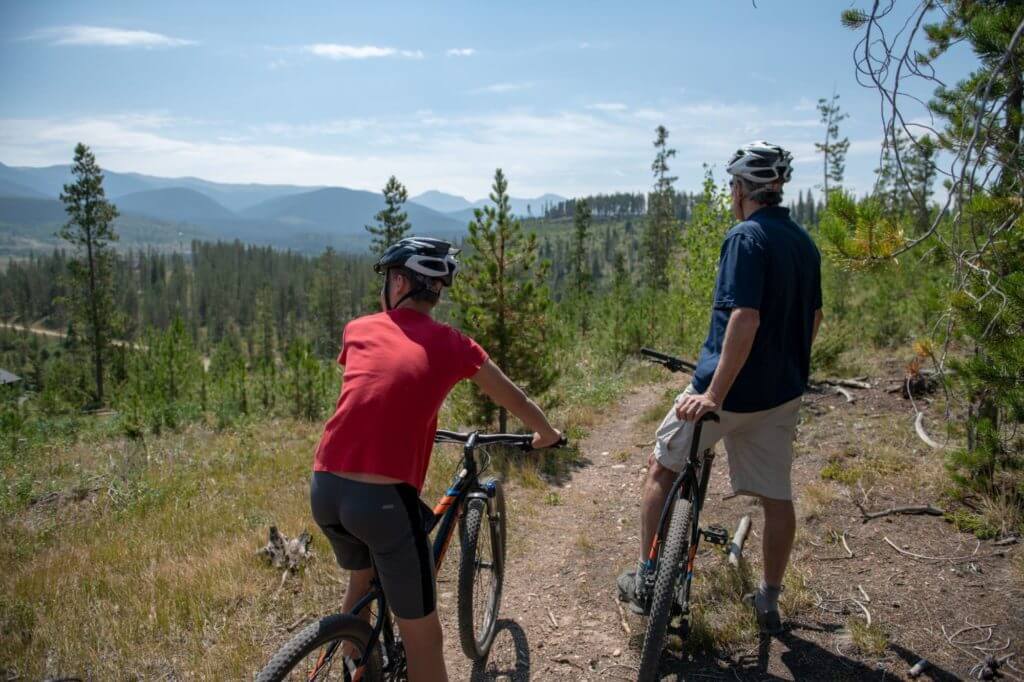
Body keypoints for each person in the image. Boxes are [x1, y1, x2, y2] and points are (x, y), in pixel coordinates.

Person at [310, 237, 562, 682]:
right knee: (424, 639)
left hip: (326, 486)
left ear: (401, 281)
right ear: (436, 290)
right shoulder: (453, 344)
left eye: (387, 279)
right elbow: (511, 394)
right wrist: (546, 432)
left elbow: (370, 389)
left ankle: (358, 668)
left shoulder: (359, 328)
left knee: (360, 580)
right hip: (382, 503)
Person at [618, 141, 823, 634]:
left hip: (726, 394)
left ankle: (648, 580)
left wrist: (714, 395)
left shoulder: (745, 237)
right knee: (777, 498)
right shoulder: (803, 242)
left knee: (661, 469)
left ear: (740, 189)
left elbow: (744, 319)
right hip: (781, 395)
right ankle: (769, 600)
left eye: (733, 186)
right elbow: (814, 318)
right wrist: (788, 366)